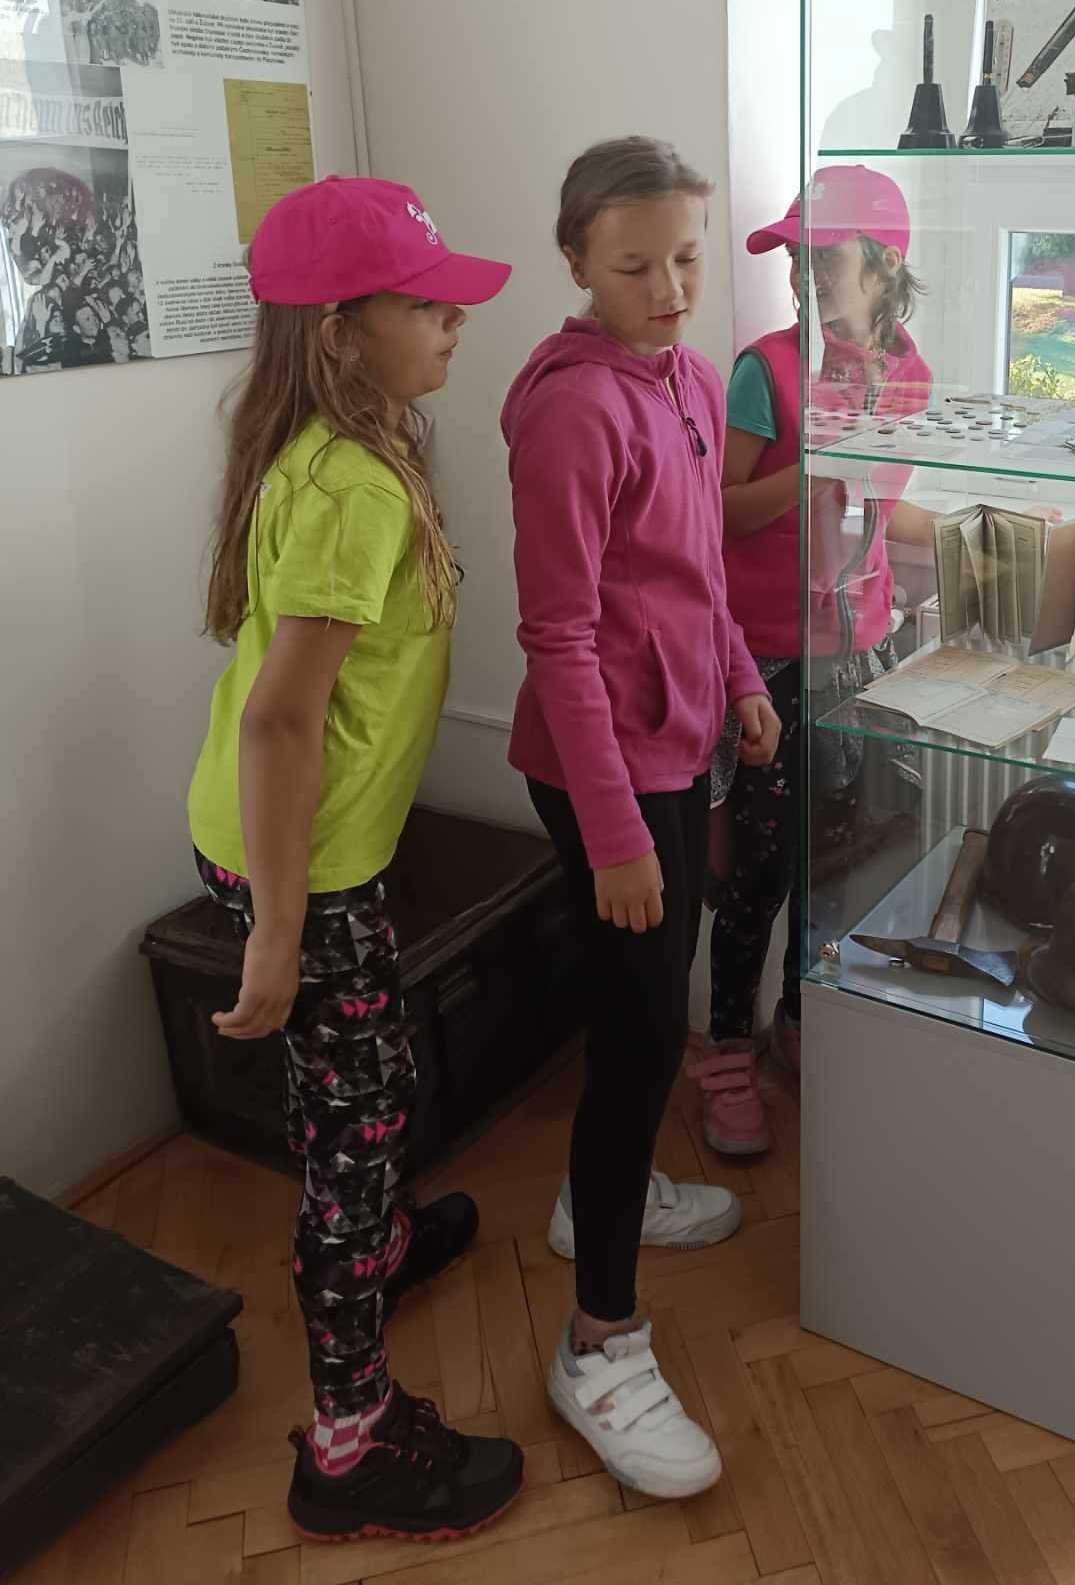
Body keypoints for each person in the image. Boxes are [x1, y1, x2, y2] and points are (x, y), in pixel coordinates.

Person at [186, 176, 525, 1545]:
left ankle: (377, 1248)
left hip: (303, 855)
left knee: (362, 1084)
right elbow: (280, 719)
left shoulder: (338, 457)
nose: (453, 322)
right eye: (424, 304)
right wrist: (279, 932)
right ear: (339, 333)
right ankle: (349, 1443)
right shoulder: (352, 492)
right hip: (304, 872)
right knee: (354, 1136)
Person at [502, 135, 781, 1498]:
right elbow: (559, 637)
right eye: (633, 267)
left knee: (646, 1012)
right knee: (637, 1033)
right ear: (577, 262)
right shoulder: (573, 412)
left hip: (673, 741)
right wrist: (616, 836)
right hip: (597, 766)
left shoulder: (686, 378)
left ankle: (592, 1200)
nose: (669, 290)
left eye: (684, 258)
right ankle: (598, 1342)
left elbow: (696, 571)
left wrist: (742, 682)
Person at [691, 165, 934, 1155]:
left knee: (834, 858)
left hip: (859, 653)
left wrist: (987, 536)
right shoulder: (766, 368)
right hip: (769, 660)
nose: (804, 273)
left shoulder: (910, 377)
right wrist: (812, 470)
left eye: (824, 255)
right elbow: (717, 514)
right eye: (795, 255)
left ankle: (800, 1018)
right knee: (758, 870)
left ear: (884, 267)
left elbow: (879, 509)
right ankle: (725, 1055)